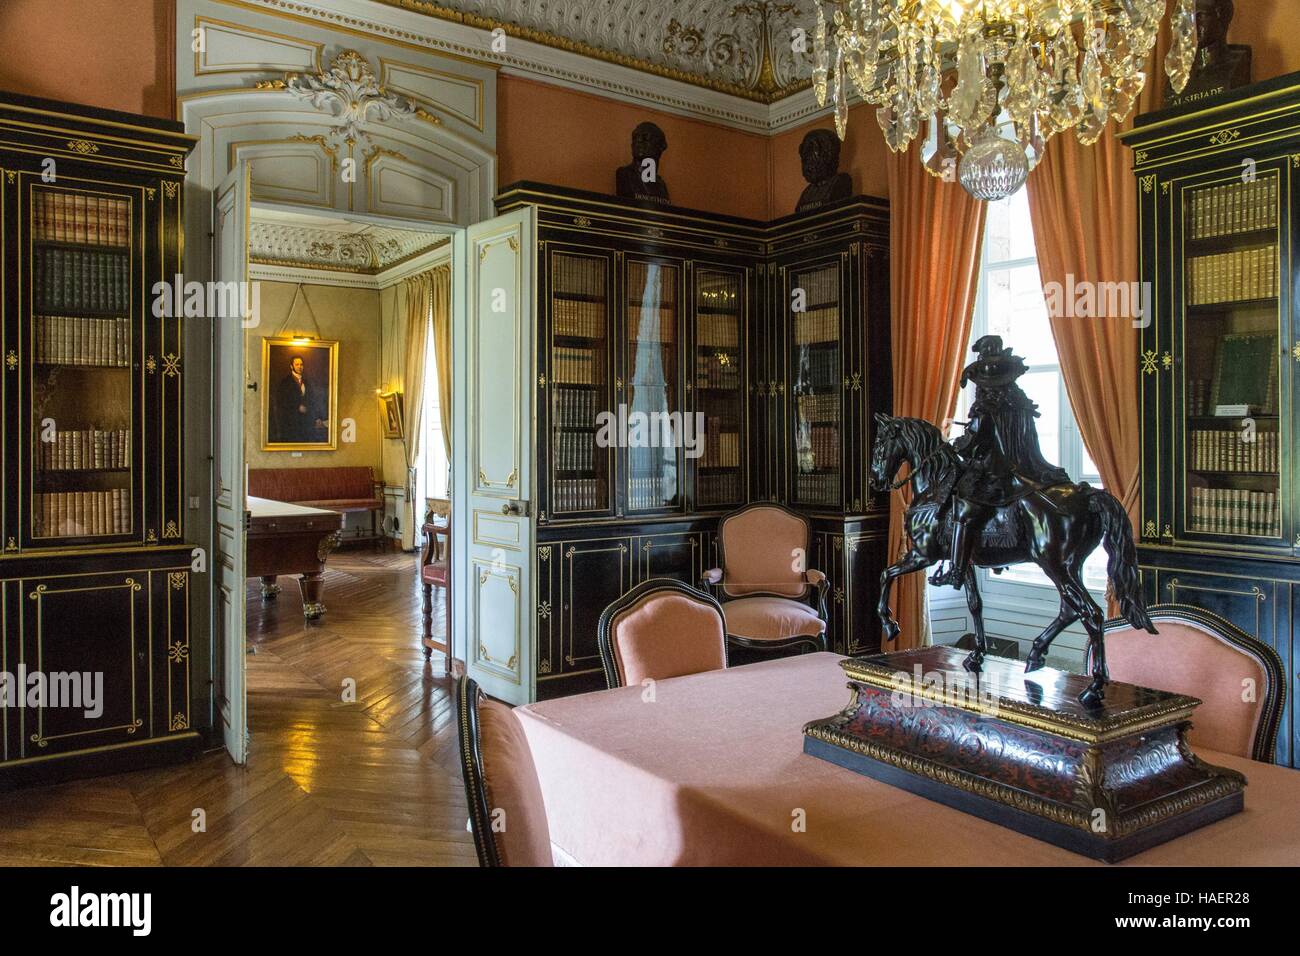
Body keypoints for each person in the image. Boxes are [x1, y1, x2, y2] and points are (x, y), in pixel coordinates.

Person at [930, 336, 1069, 589]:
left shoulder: (986, 406)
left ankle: (957, 570)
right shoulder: (1020, 403)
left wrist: (953, 444)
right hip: (1027, 470)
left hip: (994, 474)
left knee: (963, 510)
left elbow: (975, 442)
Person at [272, 353, 327, 443]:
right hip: (290, 423)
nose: (299, 367)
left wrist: (316, 418)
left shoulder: (307, 382)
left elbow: (312, 401)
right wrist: (297, 407)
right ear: (291, 366)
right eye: (297, 364)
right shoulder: (285, 382)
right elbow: (281, 402)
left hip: (305, 423)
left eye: (301, 364)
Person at [615, 122, 670, 202]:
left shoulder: (661, 185)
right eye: (635, 138)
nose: (638, 141)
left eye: (646, 138)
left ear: (661, 146)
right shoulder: (624, 174)